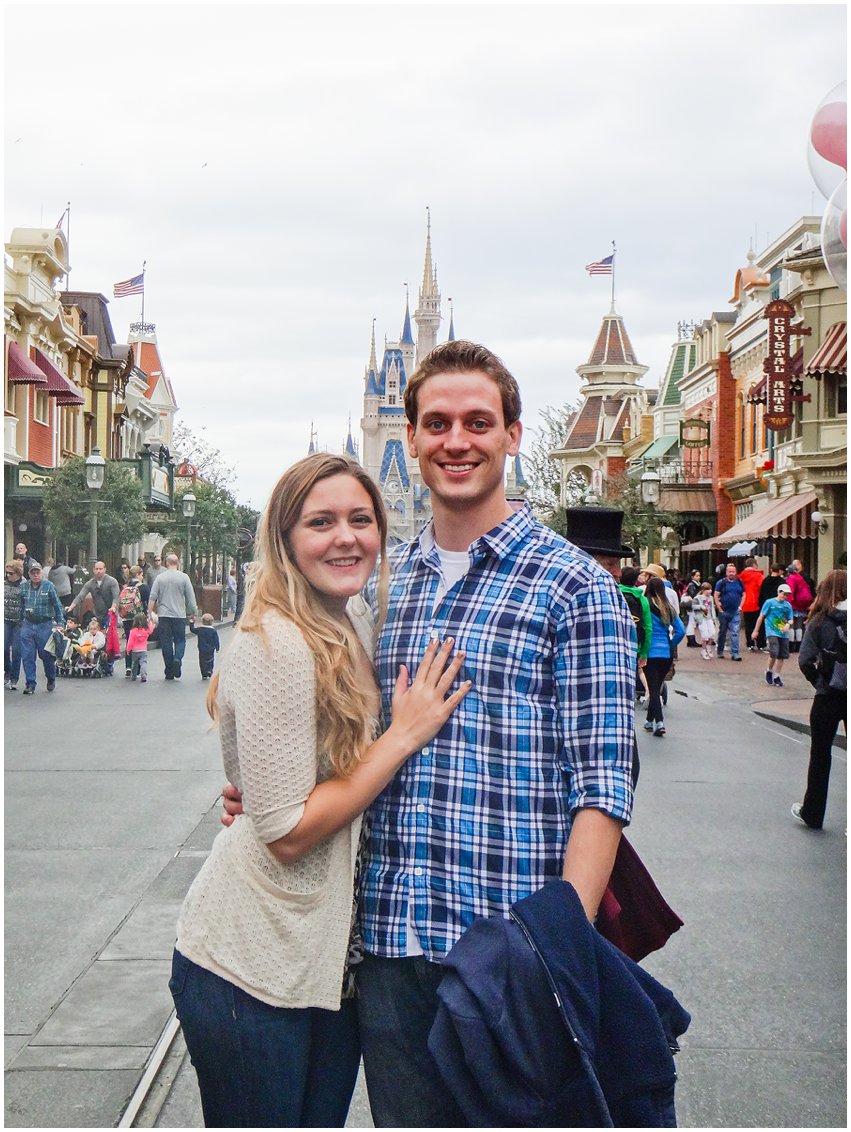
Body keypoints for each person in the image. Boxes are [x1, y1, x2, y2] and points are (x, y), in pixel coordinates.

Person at [223, 341, 637, 1127]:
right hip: (384, 947)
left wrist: (556, 951)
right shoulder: (385, 580)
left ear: (512, 435)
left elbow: (602, 788)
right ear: (406, 437)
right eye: (437, 423)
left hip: (503, 951)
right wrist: (273, 788)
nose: (456, 441)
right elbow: (344, 737)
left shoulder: (573, 586)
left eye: (478, 422)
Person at [171, 453, 470, 1128]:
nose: (345, 537)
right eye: (321, 522)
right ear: (285, 540)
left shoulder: (352, 622)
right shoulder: (275, 640)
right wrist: (404, 734)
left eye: (360, 520)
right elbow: (286, 834)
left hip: (328, 965)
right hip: (252, 961)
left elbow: (313, 780)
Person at [792, 569, 847, 830]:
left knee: (821, 755)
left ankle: (813, 813)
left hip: (827, 695)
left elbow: (805, 660)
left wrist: (819, 681)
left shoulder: (818, 621)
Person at [642, 575, 685, 736]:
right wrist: (671, 644)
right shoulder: (668, 608)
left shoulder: (645, 604)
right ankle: (648, 720)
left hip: (650, 652)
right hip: (665, 654)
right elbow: (680, 631)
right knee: (656, 686)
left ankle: (659, 722)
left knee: (653, 690)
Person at [148, 554, 198, 679]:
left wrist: (149, 613)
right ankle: (178, 659)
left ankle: (169, 669)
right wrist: (194, 612)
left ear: (166, 563)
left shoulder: (160, 578)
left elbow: (152, 597)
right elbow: (190, 598)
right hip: (179, 615)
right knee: (180, 640)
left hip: (164, 615)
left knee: (166, 642)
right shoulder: (184, 577)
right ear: (178, 563)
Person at [65, 561, 120, 672]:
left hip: (110, 613)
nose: (99, 571)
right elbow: (81, 596)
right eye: (96, 569)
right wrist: (71, 607)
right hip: (98, 613)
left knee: (109, 637)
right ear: (93, 570)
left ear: (105, 569)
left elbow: (116, 597)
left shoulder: (112, 581)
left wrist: (114, 607)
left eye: (101, 569)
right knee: (94, 635)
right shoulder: (90, 583)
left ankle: (109, 663)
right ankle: (94, 659)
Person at [19, 562, 65, 694]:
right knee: (27, 655)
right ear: (28, 574)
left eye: (37, 572)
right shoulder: (23, 587)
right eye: (32, 572)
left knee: (46, 654)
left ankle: (51, 678)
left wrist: (60, 623)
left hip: (44, 624)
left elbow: (57, 606)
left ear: (41, 573)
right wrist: (20, 621)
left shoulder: (49, 586)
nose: (35, 575)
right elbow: (21, 605)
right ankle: (30, 684)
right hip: (27, 624)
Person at [751, 582, 794, 687]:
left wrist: (788, 624)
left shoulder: (788, 606)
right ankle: (769, 670)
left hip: (783, 632)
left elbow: (791, 618)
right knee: (774, 651)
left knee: (782, 654)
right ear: (779, 592)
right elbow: (761, 616)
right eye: (784, 594)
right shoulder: (769, 602)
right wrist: (756, 630)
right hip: (772, 630)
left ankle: (777, 675)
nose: (785, 597)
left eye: (787, 595)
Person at [118, 566, 150, 677]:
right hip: (139, 618)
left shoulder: (125, 587)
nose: (143, 576)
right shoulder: (143, 587)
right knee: (139, 642)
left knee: (129, 640)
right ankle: (138, 667)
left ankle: (128, 667)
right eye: (142, 574)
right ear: (138, 575)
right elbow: (148, 602)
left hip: (127, 618)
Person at [714, 562, 745, 661]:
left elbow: (744, 594)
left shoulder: (740, 582)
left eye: (733, 571)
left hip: (735, 611)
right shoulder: (721, 583)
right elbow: (716, 595)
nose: (731, 573)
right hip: (724, 611)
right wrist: (720, 608)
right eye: (729, 571)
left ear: (736, 572)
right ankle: (720, 650)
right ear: (726, 572)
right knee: (722, 632)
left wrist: (740, 607)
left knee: (735, 632)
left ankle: (735, 653)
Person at [785, 560, 814, 653]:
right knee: (799, 626)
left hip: (793, 605)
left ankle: (791, 644)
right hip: (802, 605)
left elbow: (790, 592)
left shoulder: (791, 578)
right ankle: (798, 644)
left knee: (791, 625)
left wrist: (788, 603)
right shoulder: (800, 578)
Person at [4, 560, 24, 691]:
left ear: (17, 573)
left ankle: (14, 678)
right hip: (5, 620)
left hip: (19, 622)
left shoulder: (25, 585)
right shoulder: (3, 584)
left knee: (17, 651)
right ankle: (7, 671)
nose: (7, 575)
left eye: (10, 573)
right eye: (6, 573)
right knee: (4, 649)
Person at [739, 557, 765, 651]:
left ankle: (750, 644)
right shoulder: (758, 576)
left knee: (748, 625)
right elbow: (762, 588)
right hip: (757, 602)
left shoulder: (741, 577)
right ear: (754, 565)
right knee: (759, 624)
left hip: (745, 603)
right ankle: (760, 643)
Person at [692, 581, 719, 659]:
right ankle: (703, 650)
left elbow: (712, 608)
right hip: (702, 618)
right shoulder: (698, 598)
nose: (710, 591)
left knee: (712, 633)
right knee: (705, 635)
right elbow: (693, 606)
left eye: (711, 589)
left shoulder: (710, 598)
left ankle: (708, 648)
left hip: (709, 618)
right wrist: (701, 607)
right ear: (704, 590)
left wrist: (714, 618)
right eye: (708, 589)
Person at [125, 611, 155, 683]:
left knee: (134, 663)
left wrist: (128, 650)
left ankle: (133, 676)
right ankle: (143, 674)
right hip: (143, 650)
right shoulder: (146, 630)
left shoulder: (133, 631)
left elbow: (130, 641)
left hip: (135, 651)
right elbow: (151, 630)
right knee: (143, 662)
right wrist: (150, 622)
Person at [190, 612, 220, 679]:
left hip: (202, 648)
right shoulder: (213, 631)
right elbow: (216, 640)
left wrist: (192, 623)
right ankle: (209, 670)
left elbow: (192, 630)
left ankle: (204, 673)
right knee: (210, 660)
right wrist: (217, 647)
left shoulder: (200, 629)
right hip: (211, 649)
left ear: (202, 621)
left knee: (202, 661)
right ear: (212, 622)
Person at [683, 569, 702, 647]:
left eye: (699, 576)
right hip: (692, 605)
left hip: (694, 605)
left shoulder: (697, 584)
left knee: (692, 622)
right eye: (696, 576)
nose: (698, 577)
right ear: (692, 577)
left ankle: (691, 639)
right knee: (691, 622)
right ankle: (690, 640)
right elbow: (693, 595)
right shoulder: (692, 585)